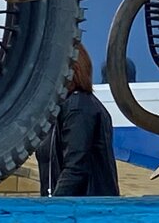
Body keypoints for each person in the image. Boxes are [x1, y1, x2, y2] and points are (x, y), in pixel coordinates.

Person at [37, 43, 120, 196]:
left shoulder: (77, 108)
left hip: (83, 207)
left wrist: (54, 206)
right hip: (69, 206)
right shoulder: (60, 109)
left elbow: (75, 168)